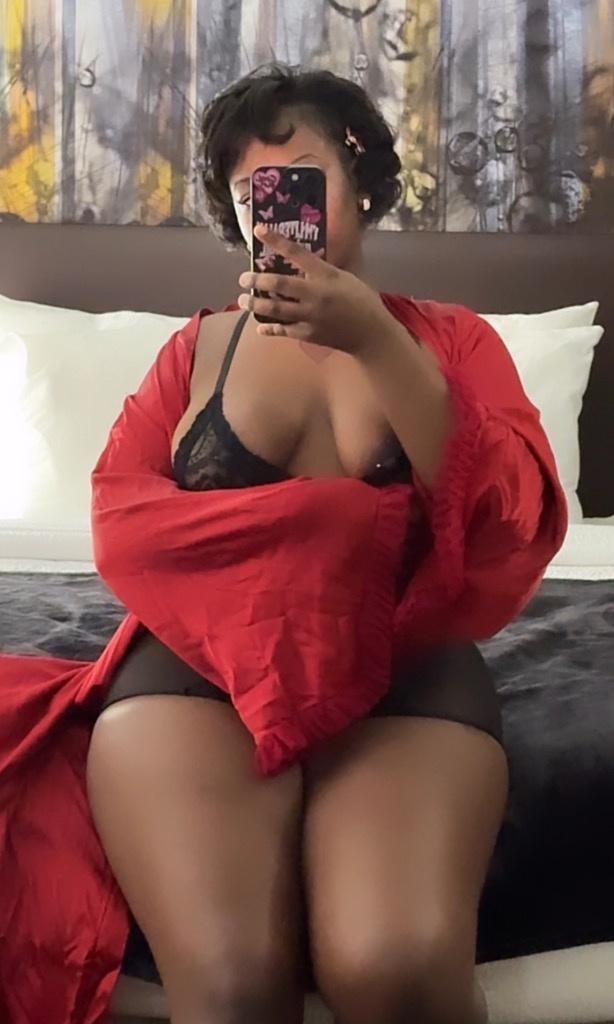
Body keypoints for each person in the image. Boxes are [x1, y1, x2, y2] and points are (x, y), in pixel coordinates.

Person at [84, 64, 566, 1024]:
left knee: (395, 967)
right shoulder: (194, 351)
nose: (273, 213)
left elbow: (504, 514)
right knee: (232, 983)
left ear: (362, 185)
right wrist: (336, 529)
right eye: (248, 194)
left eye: (297, 183)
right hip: (200, 670)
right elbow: (121, 521)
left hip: (403, 663)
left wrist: (375, 342)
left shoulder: (452, 341)